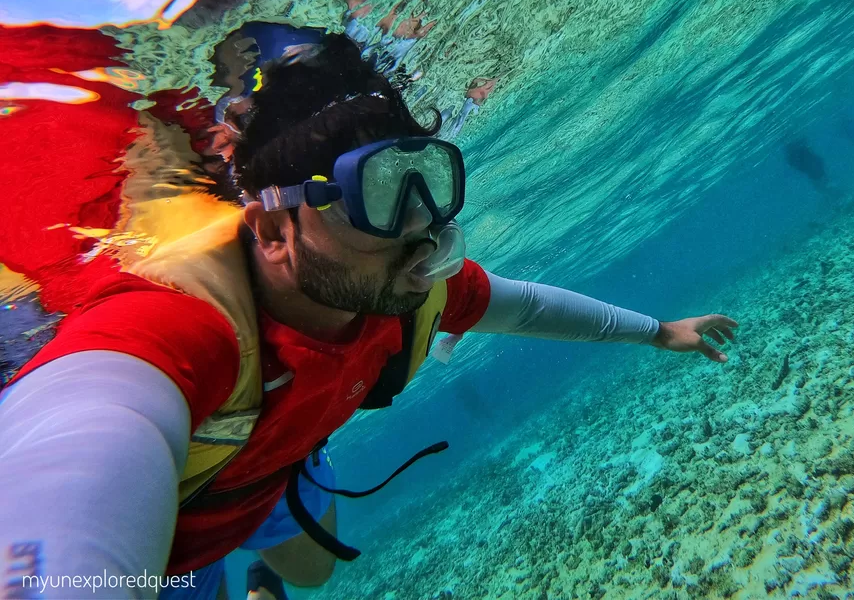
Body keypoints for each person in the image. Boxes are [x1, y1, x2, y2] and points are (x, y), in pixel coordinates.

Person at [0, 30, 739, 599]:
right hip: (180, 523)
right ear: (273, 231)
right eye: (380, 195)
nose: (422, 226)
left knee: (315, 576)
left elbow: (526, 305)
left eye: (429, 181)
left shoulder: (404, 290)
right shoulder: (174, 333)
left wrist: (658, 331)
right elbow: (85, 438)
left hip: (279, 458)